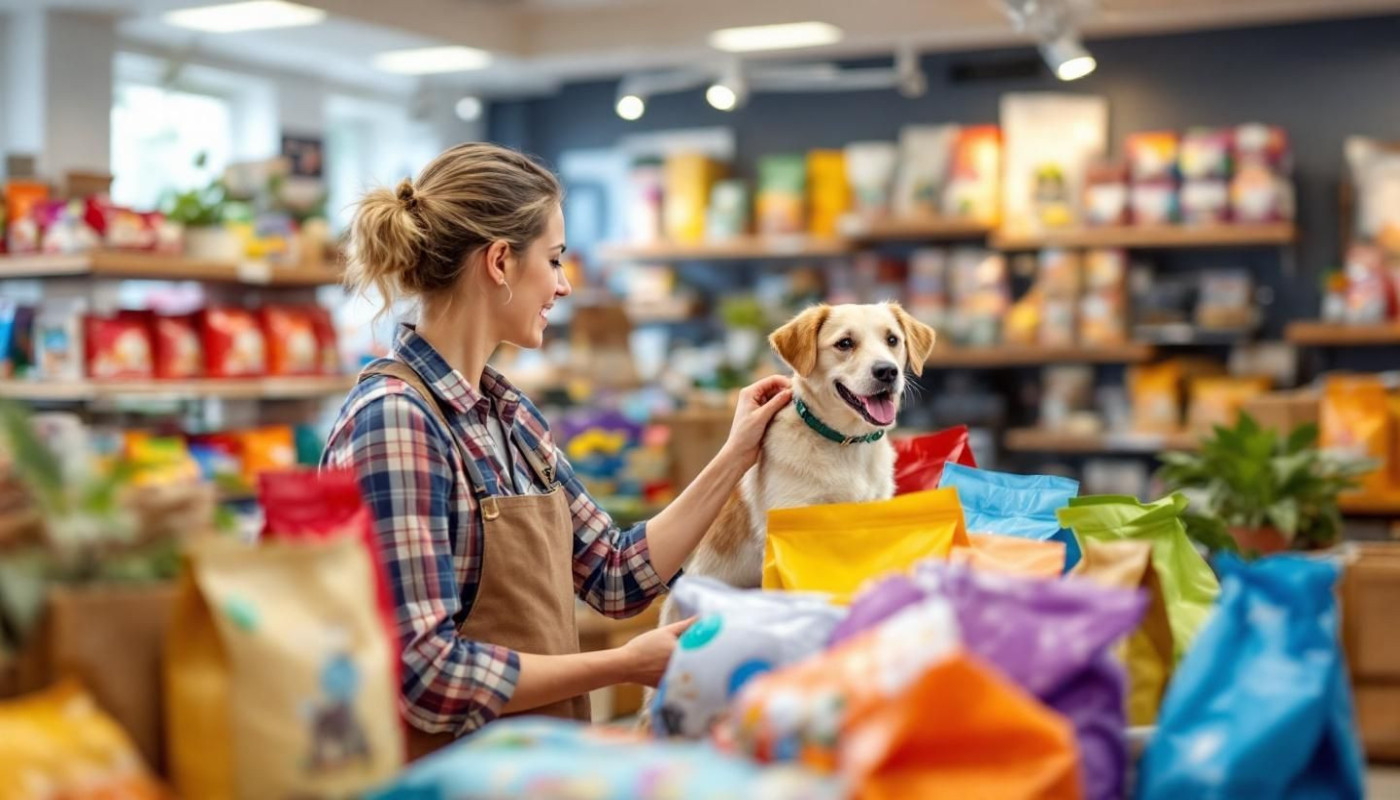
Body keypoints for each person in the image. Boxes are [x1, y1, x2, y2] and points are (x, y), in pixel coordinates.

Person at [321, 142, 792, 757]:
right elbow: (429, 676)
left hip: (531, 769)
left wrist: (737, 455)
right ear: (499, 262)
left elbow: (616, 575)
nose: (565, 286)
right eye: (555, 259)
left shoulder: (509, 418)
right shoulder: (397, 422)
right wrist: (620, 665)